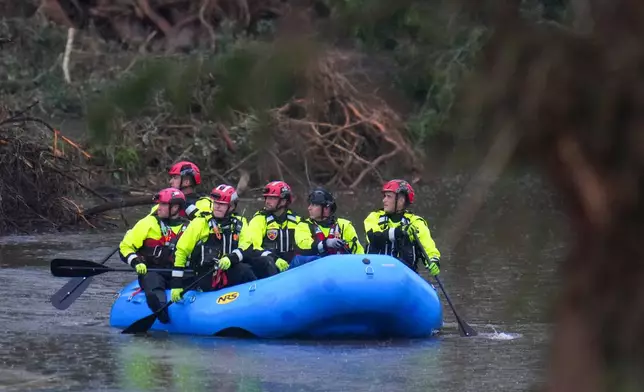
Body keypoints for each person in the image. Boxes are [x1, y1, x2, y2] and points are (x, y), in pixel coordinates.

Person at [170, 184, 278, 302]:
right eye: (215, 203)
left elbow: (247, 246)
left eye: (221, 204)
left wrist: (230, 258)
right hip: (208, 274)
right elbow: (181, 251)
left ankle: (274, 294)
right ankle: (256, 301)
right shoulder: (200, 223)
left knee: (265, 262)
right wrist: (176, 285)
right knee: (243, 270)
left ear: (231, 207)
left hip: (232, 264)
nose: (217, 207)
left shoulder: (240, 222)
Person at [118, 187, 188, 323]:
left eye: (163, 204)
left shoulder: (190, 227)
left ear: (175, 208)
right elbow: (125, 247)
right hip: (153, 271)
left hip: (178, 272)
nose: (159, 207)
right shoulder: (148, 223)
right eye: (159, 204)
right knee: (153, 283)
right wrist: (136, 262)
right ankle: (164, 318)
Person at [363, 179, 441, 276]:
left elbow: (428, 247)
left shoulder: (415, 222)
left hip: (404, 276)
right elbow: (374, 237)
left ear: (401, 200)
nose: (384, 200)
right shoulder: (374, 217)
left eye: (389, 197)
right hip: (375, 273)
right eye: (384, 196)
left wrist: (434, 261)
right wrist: (400, 232)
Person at [291, 187, 364, 267]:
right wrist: (326, 243)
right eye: (310, 204)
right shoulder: (303, 226)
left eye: (314, 205)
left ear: (326, 208)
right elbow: (304, 246)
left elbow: (358, 252)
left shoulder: (344, 225)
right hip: (313, 269)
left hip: (340, 268)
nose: (309, 208)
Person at [240, 180, 300, 271]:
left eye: (272, 198)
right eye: (267, 198)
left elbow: (305, 244)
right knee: (267, 262)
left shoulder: (297, 221)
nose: (267, 201)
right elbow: (254, 247)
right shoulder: (259, 220)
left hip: (290, 265)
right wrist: (275, 259)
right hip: (268, 265)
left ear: (283, 201)